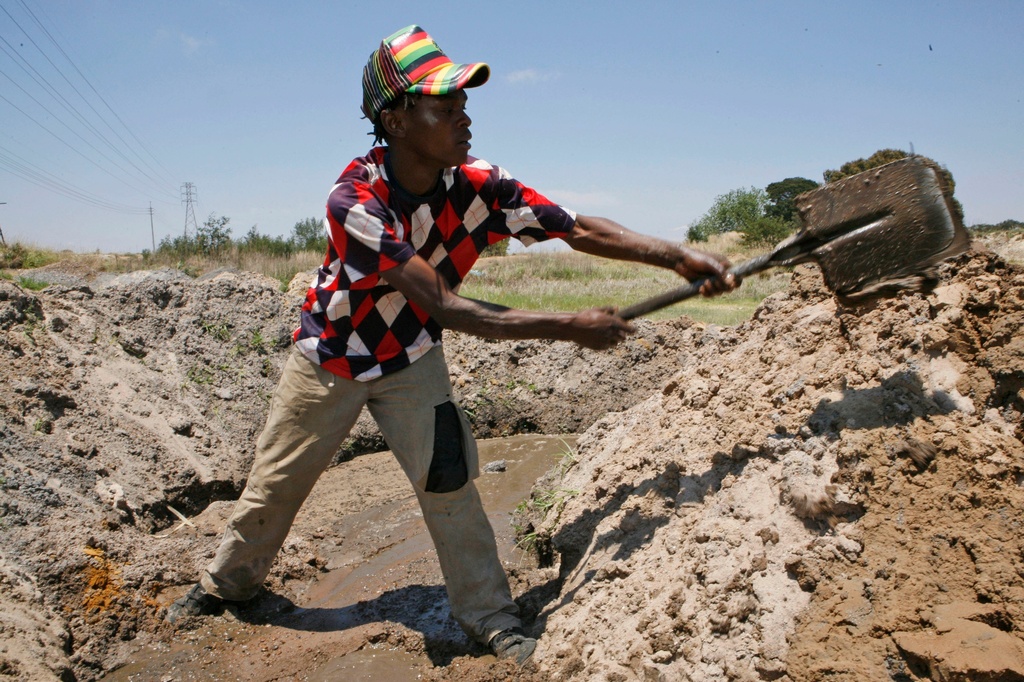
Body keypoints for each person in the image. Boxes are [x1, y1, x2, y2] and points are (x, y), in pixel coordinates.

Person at [165, 24, 737, 665]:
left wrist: (678, 256)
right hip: (331, 357)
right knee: (277, 483)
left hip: (412, 358)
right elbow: (445, 303)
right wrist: (567, 326)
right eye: (446, 105)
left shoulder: (481, 186)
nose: (465, 119)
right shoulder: (356, 200)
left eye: (465, 103)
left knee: (451, 481)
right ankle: (228, 586)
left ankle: (490, 616)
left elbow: (576, 229)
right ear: (396, 118)